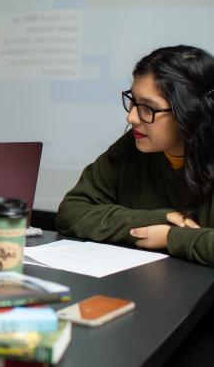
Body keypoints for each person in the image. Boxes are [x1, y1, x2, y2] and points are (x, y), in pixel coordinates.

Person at [56, 45, 214, 266]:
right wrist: (159, 219)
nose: (131, 118)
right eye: (133, 101)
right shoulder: (132, 146)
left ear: (190, 113)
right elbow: (71, 211)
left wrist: (169, 237)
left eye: (148, 108)